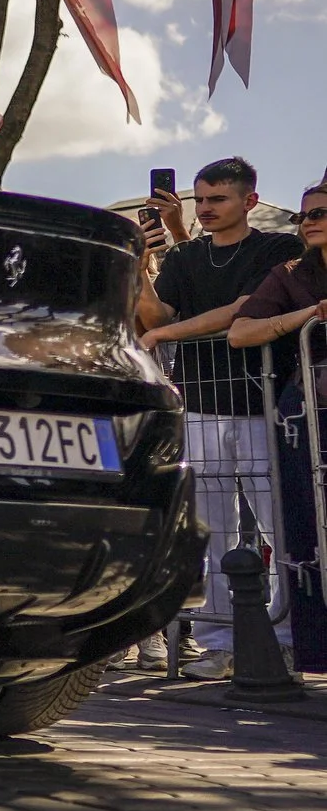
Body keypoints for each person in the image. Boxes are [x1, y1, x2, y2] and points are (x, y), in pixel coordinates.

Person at [139, 156, 303, 677]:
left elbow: (242, 308)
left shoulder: (276, 248)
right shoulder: (186, 257)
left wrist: (166, 333)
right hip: (202, 406)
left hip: (260, 403)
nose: (205, 209)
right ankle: (217, 642)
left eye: (218, 199)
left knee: (281, 527)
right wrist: (143, 269)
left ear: (249, 201)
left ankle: (286, 636)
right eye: (200, 199)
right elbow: (155, 315)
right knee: (210, 532)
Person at [229, 176, 327, 672]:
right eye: (303, 215)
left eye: (318, 214)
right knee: (305, 527)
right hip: (306, 410)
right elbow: (241, 331)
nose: (307, 223)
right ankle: (315, 651)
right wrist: (310, 314)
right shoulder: (290, 271)